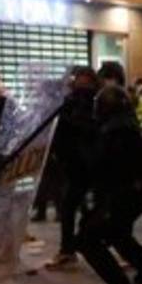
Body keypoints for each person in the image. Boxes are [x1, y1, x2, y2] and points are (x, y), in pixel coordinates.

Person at [76, 84, 142, 284]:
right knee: (119, 233)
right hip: (132, 193)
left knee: (88, 239)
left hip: (121, 194)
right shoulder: (124, 125)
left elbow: (104, 165)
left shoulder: (116, 131)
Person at [47, 67, 99, 268]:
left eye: (84, 80)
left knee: (76, 206)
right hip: (72, 161)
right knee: (70, 206)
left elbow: (88, 128)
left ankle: (73, 247)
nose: (80, 83)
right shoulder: (69, 101)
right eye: (78, 79)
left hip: (88, 162)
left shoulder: (93, 102)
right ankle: (69, 248)